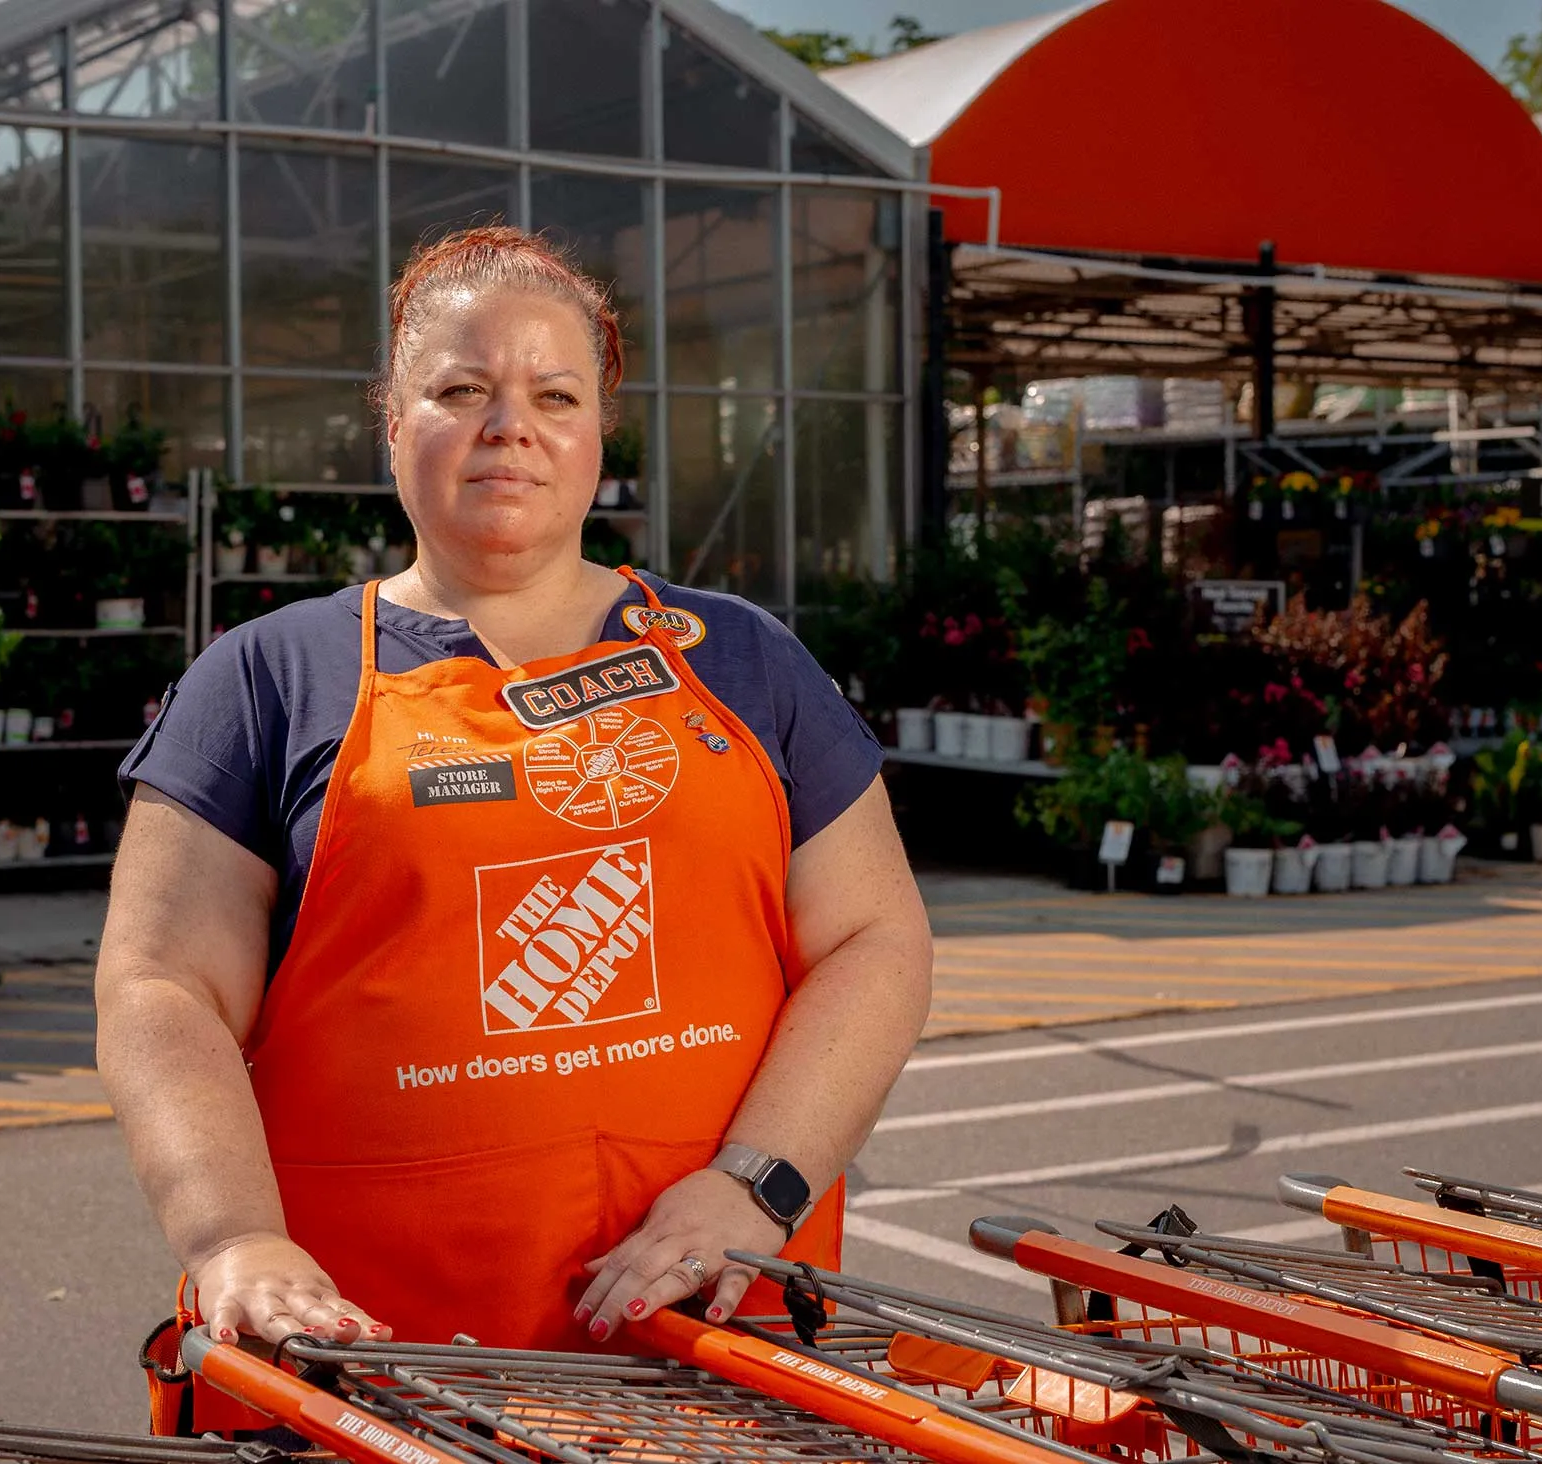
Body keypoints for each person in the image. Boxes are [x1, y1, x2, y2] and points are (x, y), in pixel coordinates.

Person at [97, 227, 932, 1420]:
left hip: (708, 1332)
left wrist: (752, 1191)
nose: (511, 426)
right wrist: (234, 1239)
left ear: (600, 430)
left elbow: (873, 941)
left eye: (555, 393)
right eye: (459, 390)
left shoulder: (742, 661)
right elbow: (159, 986)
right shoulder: (267, 679)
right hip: (368, 1362)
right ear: (392, 417)